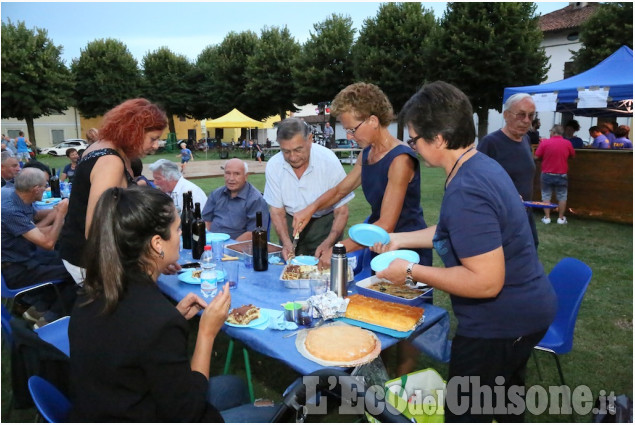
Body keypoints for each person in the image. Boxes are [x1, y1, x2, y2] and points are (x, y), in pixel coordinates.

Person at [375, 81, 557, 423]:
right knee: (503, 405)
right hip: (526, 313)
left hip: (501, 323)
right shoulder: (477, 164)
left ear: (439, 139)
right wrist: (400, 239)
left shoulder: (466, 190)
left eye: (414, 140)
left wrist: (411, 273)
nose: (412, 147)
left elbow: (486, 282)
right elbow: (454, 231)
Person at [69, 186, 279, 422]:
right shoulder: (157, 320)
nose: (181, 234)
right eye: (178, 228)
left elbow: (132, 345)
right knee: (285, 412)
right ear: (157, 243)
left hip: (108, 405)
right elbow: (188, 412)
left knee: (234, 386)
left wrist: (174, 317)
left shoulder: (93, 292)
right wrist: (206, 333)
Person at [292, 82, 432, 269]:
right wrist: (309, 210)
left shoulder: (400, 160)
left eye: (351, 129)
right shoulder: (366, 153)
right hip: (377, 243)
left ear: (373, 121)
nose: (349, 136)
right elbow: (339, 191)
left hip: (405, 249)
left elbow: (385, 226)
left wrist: (339, 248)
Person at [59, 98, 167, 284]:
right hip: (90, 261)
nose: (156, 145)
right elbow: (97, 229)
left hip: (79, 251)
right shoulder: (111, 162)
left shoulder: (100, 147)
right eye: (153, 138)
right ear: (133, 132)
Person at [264, 117, 352, 261]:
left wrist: (329, 243)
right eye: (286, 151)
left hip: (324, 224)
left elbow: (341, 211)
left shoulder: (328, 161)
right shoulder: (274, 165)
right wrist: (286, 243)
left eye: (298, 150)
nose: (293, 157)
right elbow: (277, 211)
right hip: (290, 223)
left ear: (310, 139)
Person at [1, 168, 76, 328]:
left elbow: (35, 217)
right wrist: (60, 215)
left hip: (23, 254)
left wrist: (58, 211)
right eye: (45, 185)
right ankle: (49, 319)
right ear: (36, 189)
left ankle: (38, 309)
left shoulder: (12, 194)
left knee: (65, 256)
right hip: (16, 269)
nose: (47, 187)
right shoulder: (10, 211)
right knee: (76, 272)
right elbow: (48, 243)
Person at [477, 93, 539, 248]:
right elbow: (475, 182)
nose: (526, 121)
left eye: (530, 116)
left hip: (525, 216)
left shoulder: (525, 140)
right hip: (501, 220)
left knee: (530, 253)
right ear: (506, 115)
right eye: (521, 115)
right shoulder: (490, 143)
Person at [202, 158, 269, 241]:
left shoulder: (256, 200)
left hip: (237, 248)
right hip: (212, 243)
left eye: (237, 174)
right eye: (228, 173)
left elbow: (253, 233)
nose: (231, 178)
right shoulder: (216, 194)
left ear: (246, 176)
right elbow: (206, 221)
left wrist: (228, 247)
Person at [534, 125, 576, 225]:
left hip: (547, 173)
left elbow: (536, 156)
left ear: (553, 132)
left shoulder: (545, 143)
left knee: (546, 196)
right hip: (561, 174)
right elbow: (573, 156)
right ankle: (561, 218)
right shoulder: (567, 143)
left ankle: (547, 218)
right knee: (562, 196)